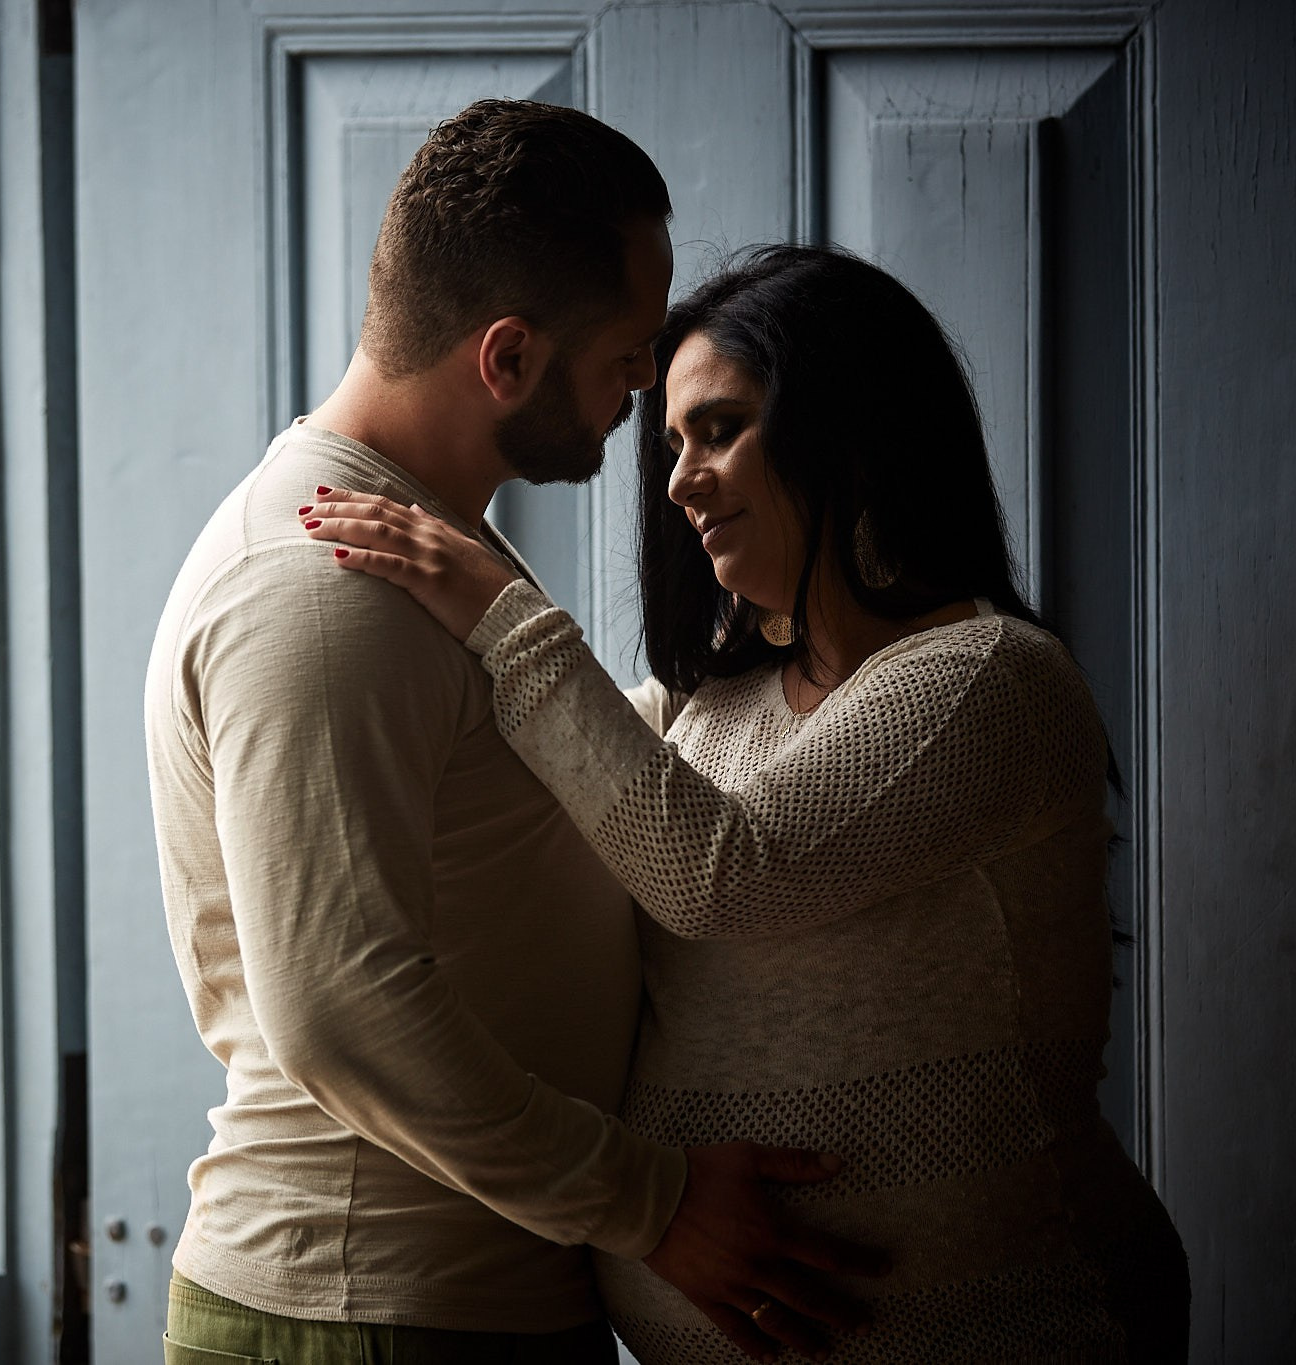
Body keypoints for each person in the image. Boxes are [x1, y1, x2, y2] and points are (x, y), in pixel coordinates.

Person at [300, 243, 1191, 1363]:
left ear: (849, 426)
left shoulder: (986, 679)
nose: (675, 481)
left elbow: (720, 871)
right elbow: (538, 776)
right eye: (670, 443)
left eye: (718, 429)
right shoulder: (707, 701)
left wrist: (494, 604)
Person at [146, 102, 886, 1365]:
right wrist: (650, 1207)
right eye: (626, 350)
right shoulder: (321, 587)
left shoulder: (430, 546)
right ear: (504, 358)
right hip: (366, 1313)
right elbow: (338, 1010)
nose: (645, 382)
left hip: (454, 1305)